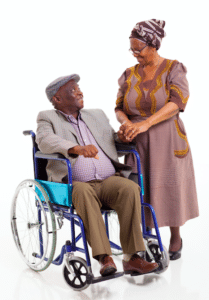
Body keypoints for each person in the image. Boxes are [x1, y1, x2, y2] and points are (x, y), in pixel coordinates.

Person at [36, 74, 158, 277]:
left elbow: (111, 139)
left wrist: (122, 137)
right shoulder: (47, 117)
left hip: (108, 180)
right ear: (57, 99)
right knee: (83, 192)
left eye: (79, 88)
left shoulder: (97, 115)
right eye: (73, 90)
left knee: (129, 188)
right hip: (76, 184)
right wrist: (76, 148)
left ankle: (132, 258)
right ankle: (104, 258)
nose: (80, 92)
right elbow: (45, 140)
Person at [115, 19, 199, 260]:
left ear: (153, 45)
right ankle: (147, 234)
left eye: (138, 49)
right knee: (140, 187)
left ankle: (175, 236)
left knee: (171, 187)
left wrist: (146, 123)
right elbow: (119, 107)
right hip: (137, 141)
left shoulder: (174, 69)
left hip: (167, 139)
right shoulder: (129, 74)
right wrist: (127, 123)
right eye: (131, 49)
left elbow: (177, 102)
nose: (134, 54)